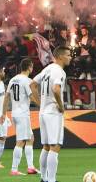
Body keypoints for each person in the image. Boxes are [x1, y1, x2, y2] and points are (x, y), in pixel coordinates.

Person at [31, 46, 72, 182]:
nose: (70, 57)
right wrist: (61, 106)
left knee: (46, 146)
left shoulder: (47, 69)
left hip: (43, 112)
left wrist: (40, 103)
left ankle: (43, 178)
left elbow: (32, 84)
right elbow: (56, 89)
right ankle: (52, 180)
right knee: (55, 146)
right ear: (60, 57)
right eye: (68, 55)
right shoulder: (59, 71)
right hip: (53, 113)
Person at [1, 58, 40, 176]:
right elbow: (32, 97)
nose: (32, 68)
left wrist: (4, 113)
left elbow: (6, 97)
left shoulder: (13, 79)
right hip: (23, 114)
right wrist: (42, 105)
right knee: (21, 141)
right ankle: (14, 169)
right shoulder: (27, 81)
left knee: (30, 138)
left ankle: (30, 167)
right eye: (32, 66)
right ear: (29, 67)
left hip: (15, 113)